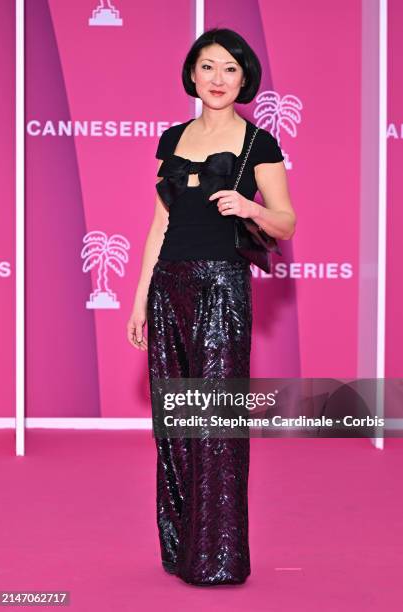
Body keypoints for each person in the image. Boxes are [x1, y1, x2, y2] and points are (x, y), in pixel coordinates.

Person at [127, 27, 296, 586]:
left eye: (229, 68)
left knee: (216, 425)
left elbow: (287, 221)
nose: (218, 78)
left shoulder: (260, 144)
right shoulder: (172, 138)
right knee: (174, 424)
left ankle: (218, 557)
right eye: (207, 66)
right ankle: (181, 548)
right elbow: (158, 224)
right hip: (167, 285)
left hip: (221, 287)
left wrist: (250, 204)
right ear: (191, 75)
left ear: (244, 77)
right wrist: (139, 300)